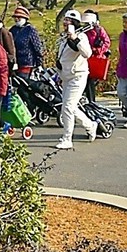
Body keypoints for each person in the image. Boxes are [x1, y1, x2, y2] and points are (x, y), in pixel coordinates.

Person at [54, 10, 97, 149]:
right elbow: (62, 56)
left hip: (78, 76)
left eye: (69, 21)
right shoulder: (64, 38)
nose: (65, 23)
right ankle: (90, 125)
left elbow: (87, 53)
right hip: (66, 76)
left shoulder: (81, 36)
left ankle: (67, 139)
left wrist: (75, 38)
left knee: (67, 107)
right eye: (65, 20)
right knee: (70, 107)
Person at [82, 10, 110, 103]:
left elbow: (106, 42)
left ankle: (91, 101)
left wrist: (98, 50)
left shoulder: (99, 30)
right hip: (85, 58)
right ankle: (88, 100)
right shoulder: (83, 31)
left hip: (96, 59)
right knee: (86, 81)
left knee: (90, 80)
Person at [9, 6, 45, 75]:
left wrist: (39, 64)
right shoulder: (13, 30)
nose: (16, 19)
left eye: (19, 17)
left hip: (27, 64)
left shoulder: (30, 30)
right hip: (14, 64)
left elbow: (38, 48)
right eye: (15, 17)